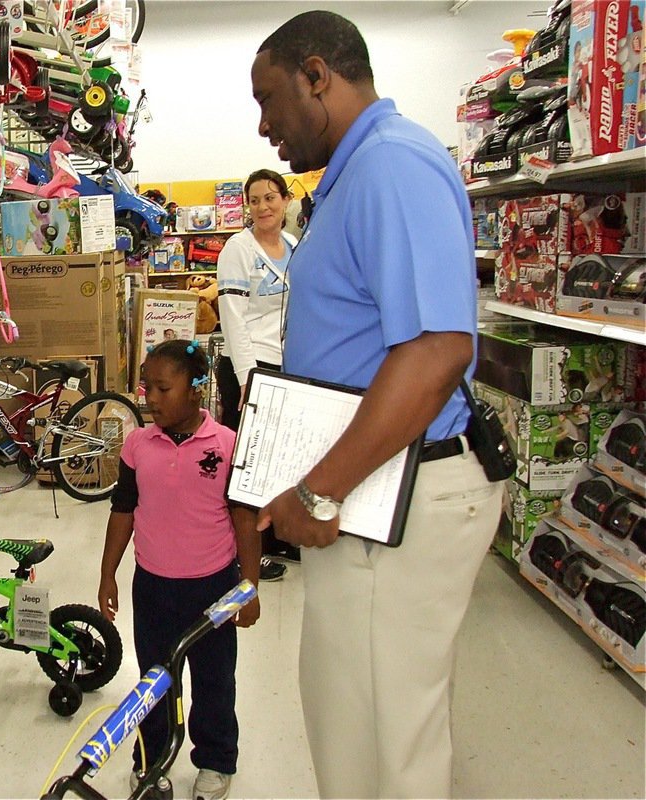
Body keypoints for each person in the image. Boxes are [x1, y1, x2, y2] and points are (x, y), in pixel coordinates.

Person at [249, 11, 502, 798]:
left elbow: (435, 352)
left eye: (270, 100)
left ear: (317, 75)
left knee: (383, 748)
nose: (264, 128)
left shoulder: (392, 166)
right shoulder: (354, 177)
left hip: (397, 494)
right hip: (368, 494)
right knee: (355, 724)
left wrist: (321, 487)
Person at [98, 339, 261, 800]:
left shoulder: (228, 445)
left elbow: (245, 522)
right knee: (154, 680)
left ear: (196, 389)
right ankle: (151, 759)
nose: (150, 399)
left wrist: (248, 587)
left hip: (213, 588)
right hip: (151, 586)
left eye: (162, 389)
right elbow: (123, 510)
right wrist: (108, 572)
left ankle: (215, 760)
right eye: (147, 387)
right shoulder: (137, 445)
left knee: (214, 680)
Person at [216, 168, 302, 574]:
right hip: (250, 370)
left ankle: (277, 537)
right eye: (255, 200)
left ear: (285, 200)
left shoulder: (292, 244)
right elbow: (233, 318)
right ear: (247, 207)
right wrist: (248, 378)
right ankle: (244, 552)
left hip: (287, 366)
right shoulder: (238, 248)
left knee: (281, 460)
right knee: (248, 465)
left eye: (270, 197)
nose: (263, 207)